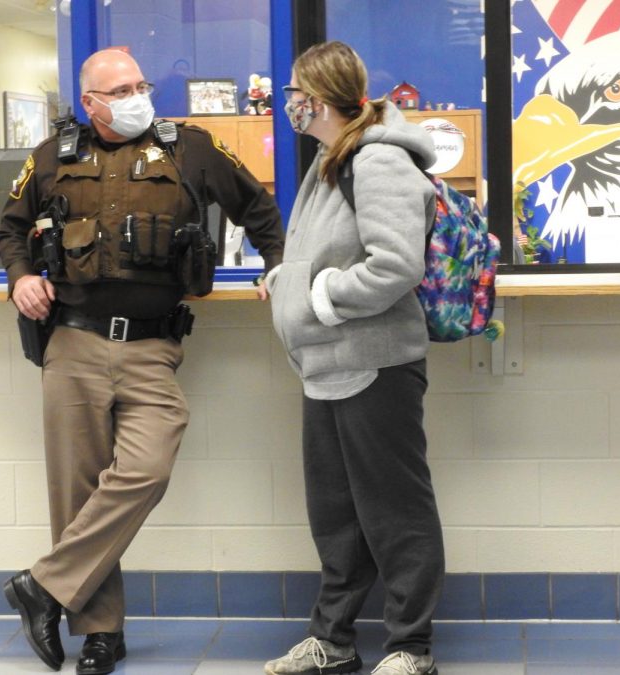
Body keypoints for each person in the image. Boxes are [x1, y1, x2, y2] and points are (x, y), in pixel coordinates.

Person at [0, 48, 283, 674]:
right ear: (90, 103)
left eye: (139, 84)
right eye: (120, 89)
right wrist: (20, 277)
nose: (136, 96)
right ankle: (101, 633)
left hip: (153, 344)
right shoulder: (52, 156)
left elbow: (260, 211)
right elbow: (10, 229)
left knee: (147, 469)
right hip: (71, 339)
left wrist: (278, 263)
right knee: (76, 493)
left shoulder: (192, 148)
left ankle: (41, 587)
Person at [264, 41, 445, 675]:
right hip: (327, 363)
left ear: (317, 97)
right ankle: (334, 642)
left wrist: (322, 296)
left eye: (293, 91)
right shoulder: (330, 160)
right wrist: (291, 278)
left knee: (395, 511)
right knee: (337, 515)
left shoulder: (378, 162)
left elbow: (395, 265)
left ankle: (411, 648)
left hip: (375, 364)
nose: (286, 102)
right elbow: (334, 249)